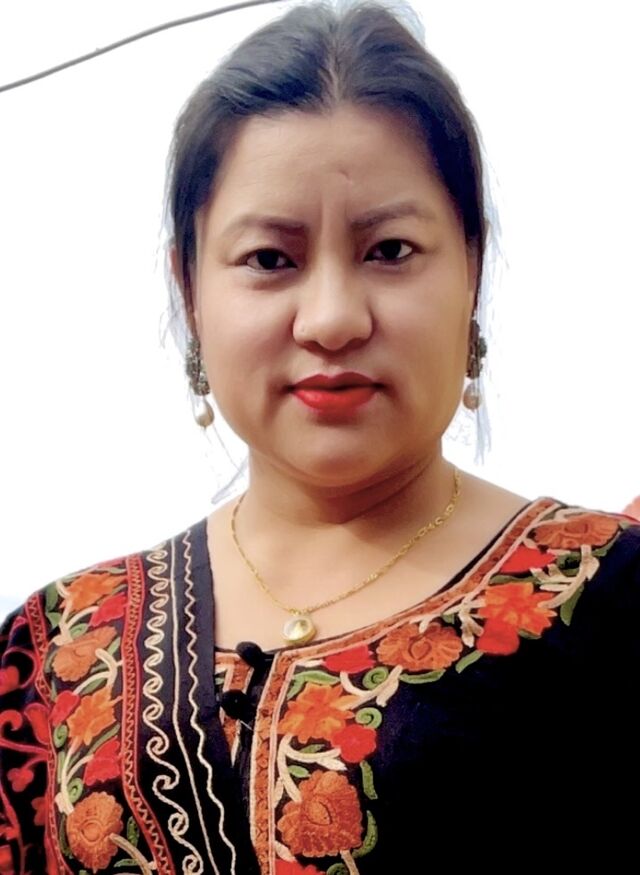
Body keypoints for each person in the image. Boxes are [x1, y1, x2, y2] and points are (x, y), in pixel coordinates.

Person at [1, 1, 639, 872]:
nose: (333, 318)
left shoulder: (611, 594)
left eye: (390, 250)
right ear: (190, 287)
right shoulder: (55, 649)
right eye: (271, 259)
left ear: (472, 264)